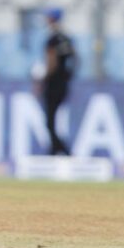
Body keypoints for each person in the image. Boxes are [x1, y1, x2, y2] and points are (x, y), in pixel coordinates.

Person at [41, 9, 77, 155]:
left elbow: (52, 60)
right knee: (53, 120)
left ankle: (60, 149)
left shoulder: (52, 39)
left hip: (53, 83)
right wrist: (68, 75)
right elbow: (75, 57)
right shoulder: (66, 38)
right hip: (63, 82)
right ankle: (56, 148)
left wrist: (44, 78)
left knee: (50, 120)